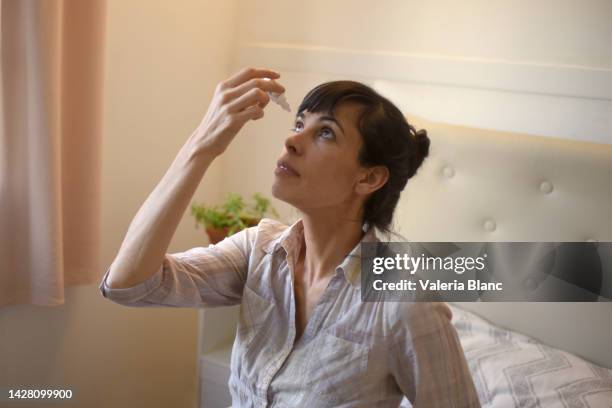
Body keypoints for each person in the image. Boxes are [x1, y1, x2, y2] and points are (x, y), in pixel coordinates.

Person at [99, 67, 481, 407]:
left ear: (368, 178)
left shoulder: (403, 301)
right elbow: (129, 285)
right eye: (299, 124)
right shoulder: (259, 250)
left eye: (326, 133)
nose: (292, 141)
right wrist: (202, 145)